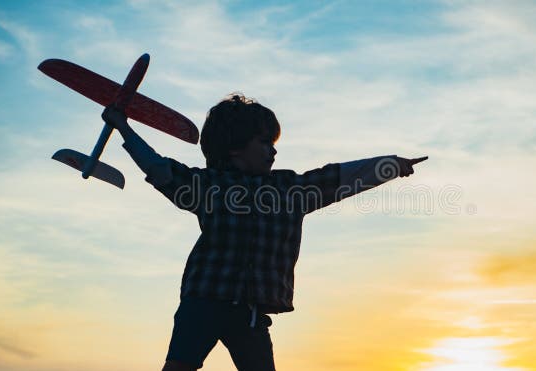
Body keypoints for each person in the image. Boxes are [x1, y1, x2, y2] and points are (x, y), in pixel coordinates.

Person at [102, 93, 427, 371]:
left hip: (250, 309)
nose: (273, 151)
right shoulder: (210, 186)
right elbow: (161, 170)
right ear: (234, 148)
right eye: (264, 143)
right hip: (203, 300)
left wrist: (390, 165)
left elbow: (336, 178)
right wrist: (124, 128)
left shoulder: (288, 189)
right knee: (179, 367)